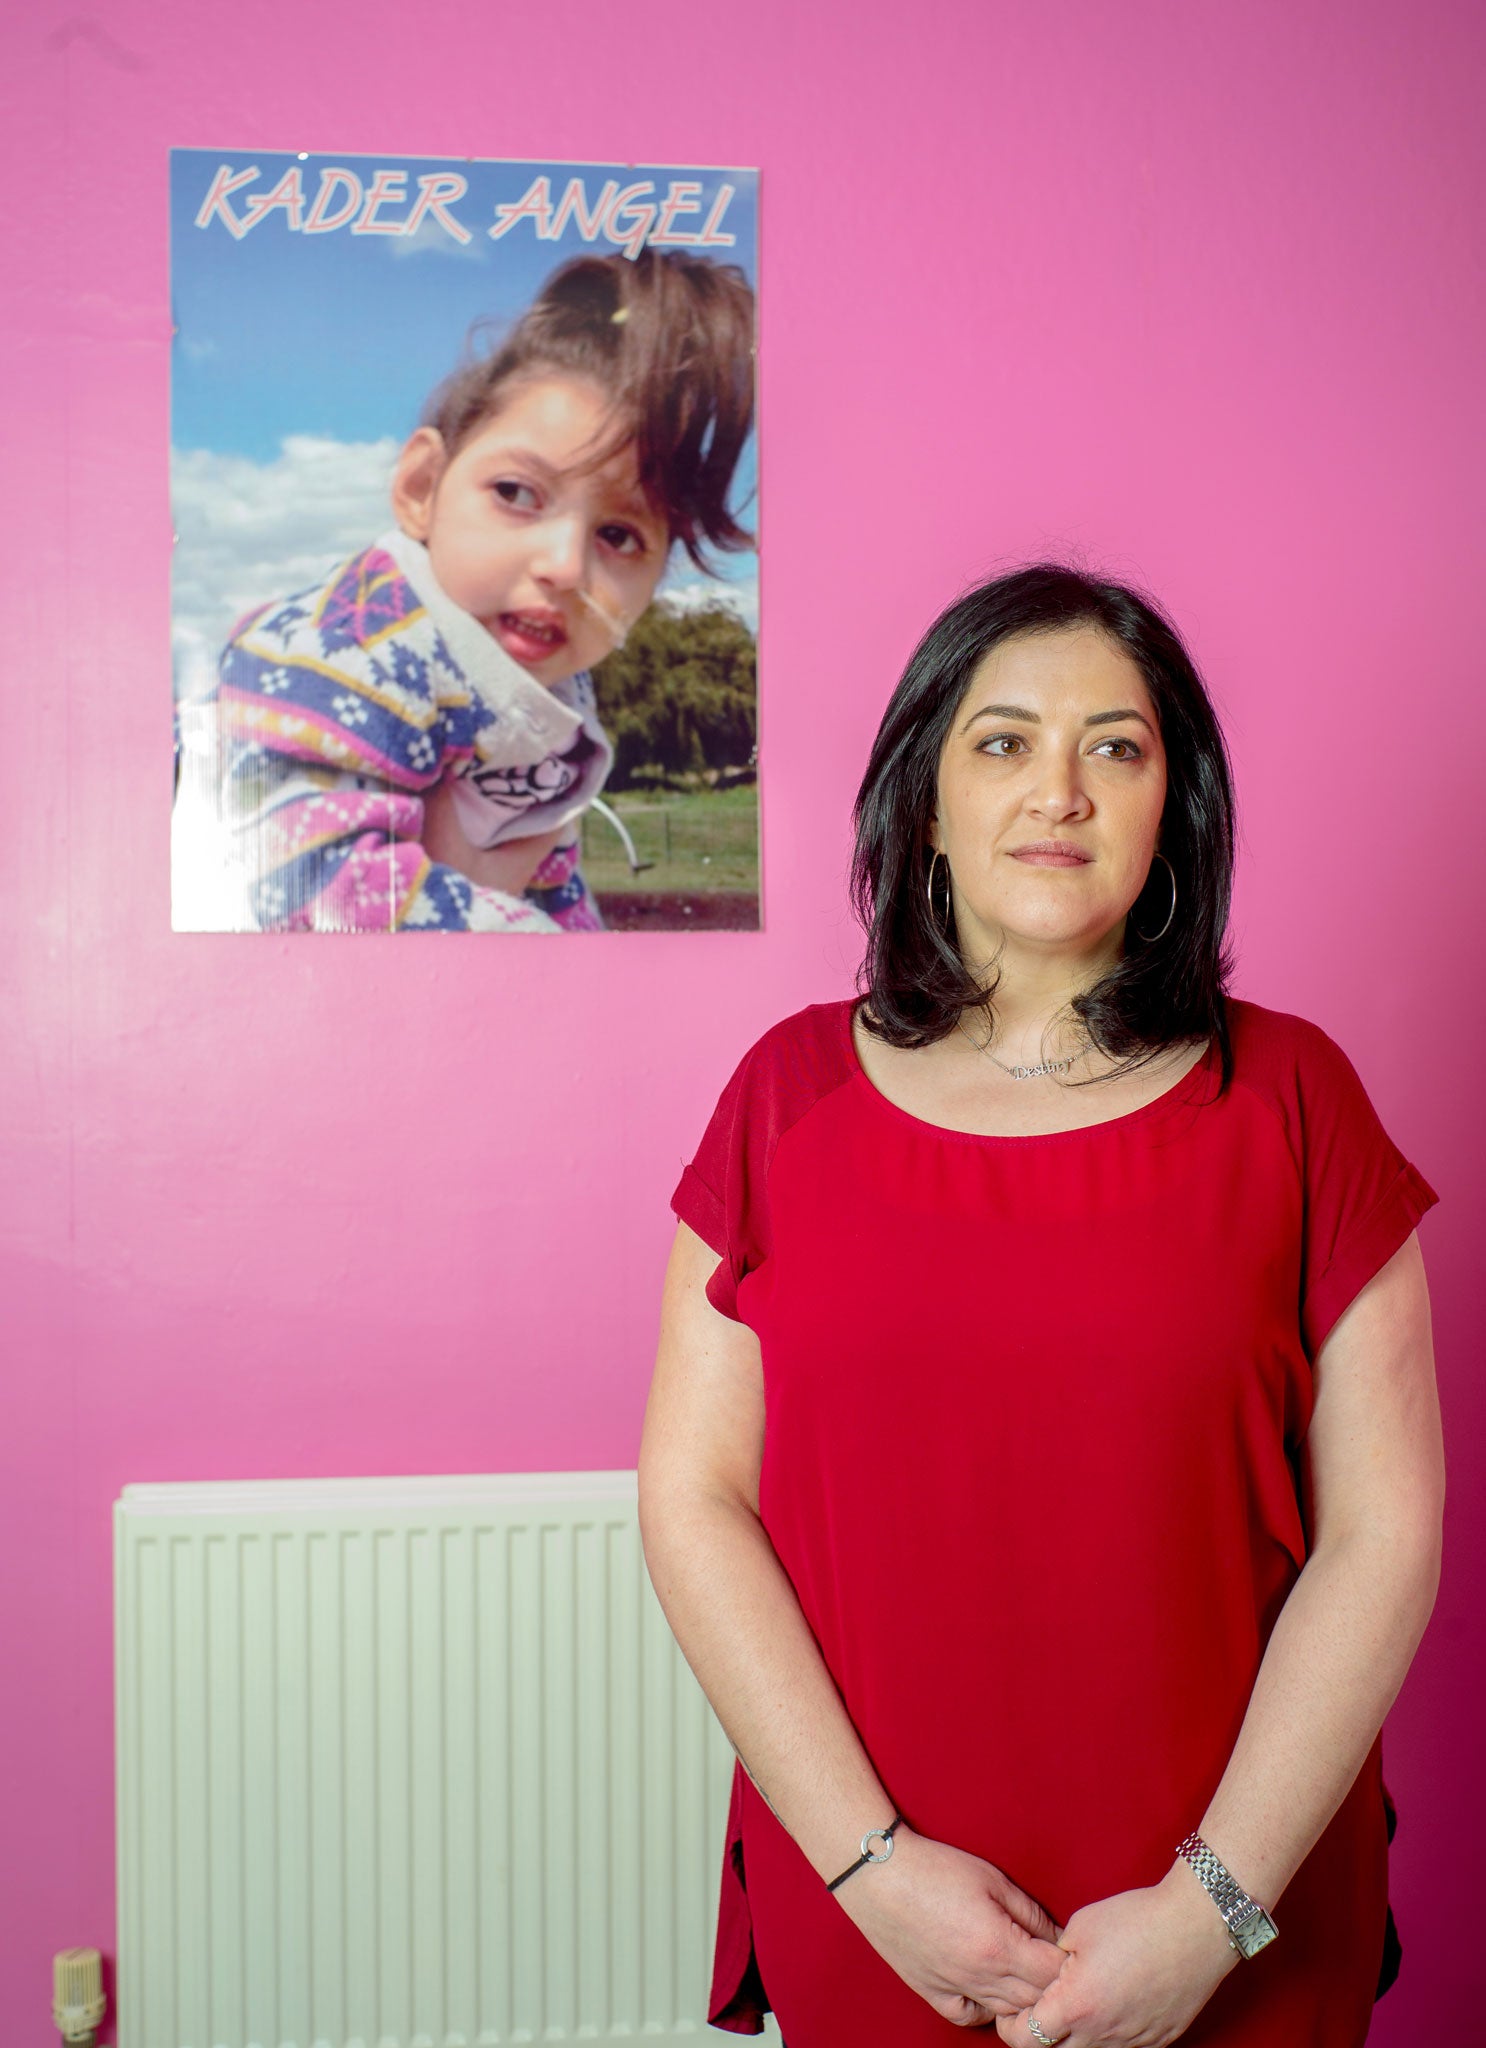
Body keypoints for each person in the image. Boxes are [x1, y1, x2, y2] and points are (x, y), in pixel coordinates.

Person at [638, 565, 1443, 2047]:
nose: (1057, 791)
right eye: (1001, 742)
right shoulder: (782, 1100)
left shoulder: (1291, 1100)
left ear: (1171, 807)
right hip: (881, 1909)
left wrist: (1212, 1910)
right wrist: (872, 1874)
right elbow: (691, 1498)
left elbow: (1384, 1531)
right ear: (923, 801)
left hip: (1233, 1919)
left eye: (1114, 748)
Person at [204, 246, 754, 931]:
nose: (564, 566)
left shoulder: (548, 694)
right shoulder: (359, 644)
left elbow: (552, 884)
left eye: (618, 536)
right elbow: (311, 886)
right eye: (517, 493)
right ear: (421, 489)